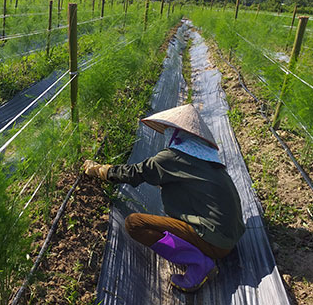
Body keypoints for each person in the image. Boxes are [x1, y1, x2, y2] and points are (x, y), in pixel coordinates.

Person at [83, 104, 245, 292]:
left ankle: (199, 263)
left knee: (134, 224)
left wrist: (101, 170)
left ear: (176, 136)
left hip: (215, 242)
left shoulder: (173, 158)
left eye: (169, 133)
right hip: (229, 238)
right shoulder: (208, 160)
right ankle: (199, 251)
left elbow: (135, 172)